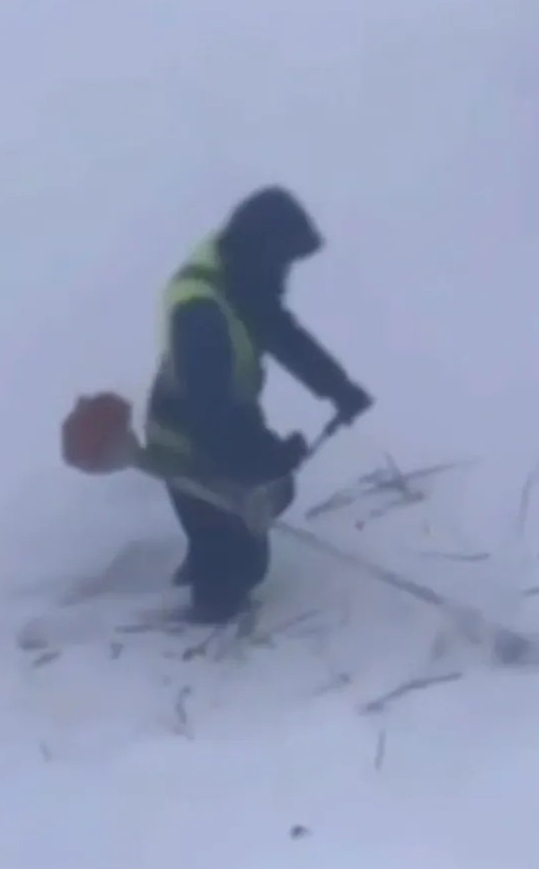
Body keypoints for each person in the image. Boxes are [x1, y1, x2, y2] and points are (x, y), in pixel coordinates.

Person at [144, 186, 373, 624]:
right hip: (187, 443)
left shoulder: (239, 275)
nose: (285, 274)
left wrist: (336, 386)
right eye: (282, 262)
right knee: (240, 569)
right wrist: (268, 455)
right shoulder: (201, 313)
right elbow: (211, 415)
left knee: (253, 512)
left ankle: (206, 550)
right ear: (260, 251)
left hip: (215, 422)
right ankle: (203, 625)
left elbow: (280, 332)